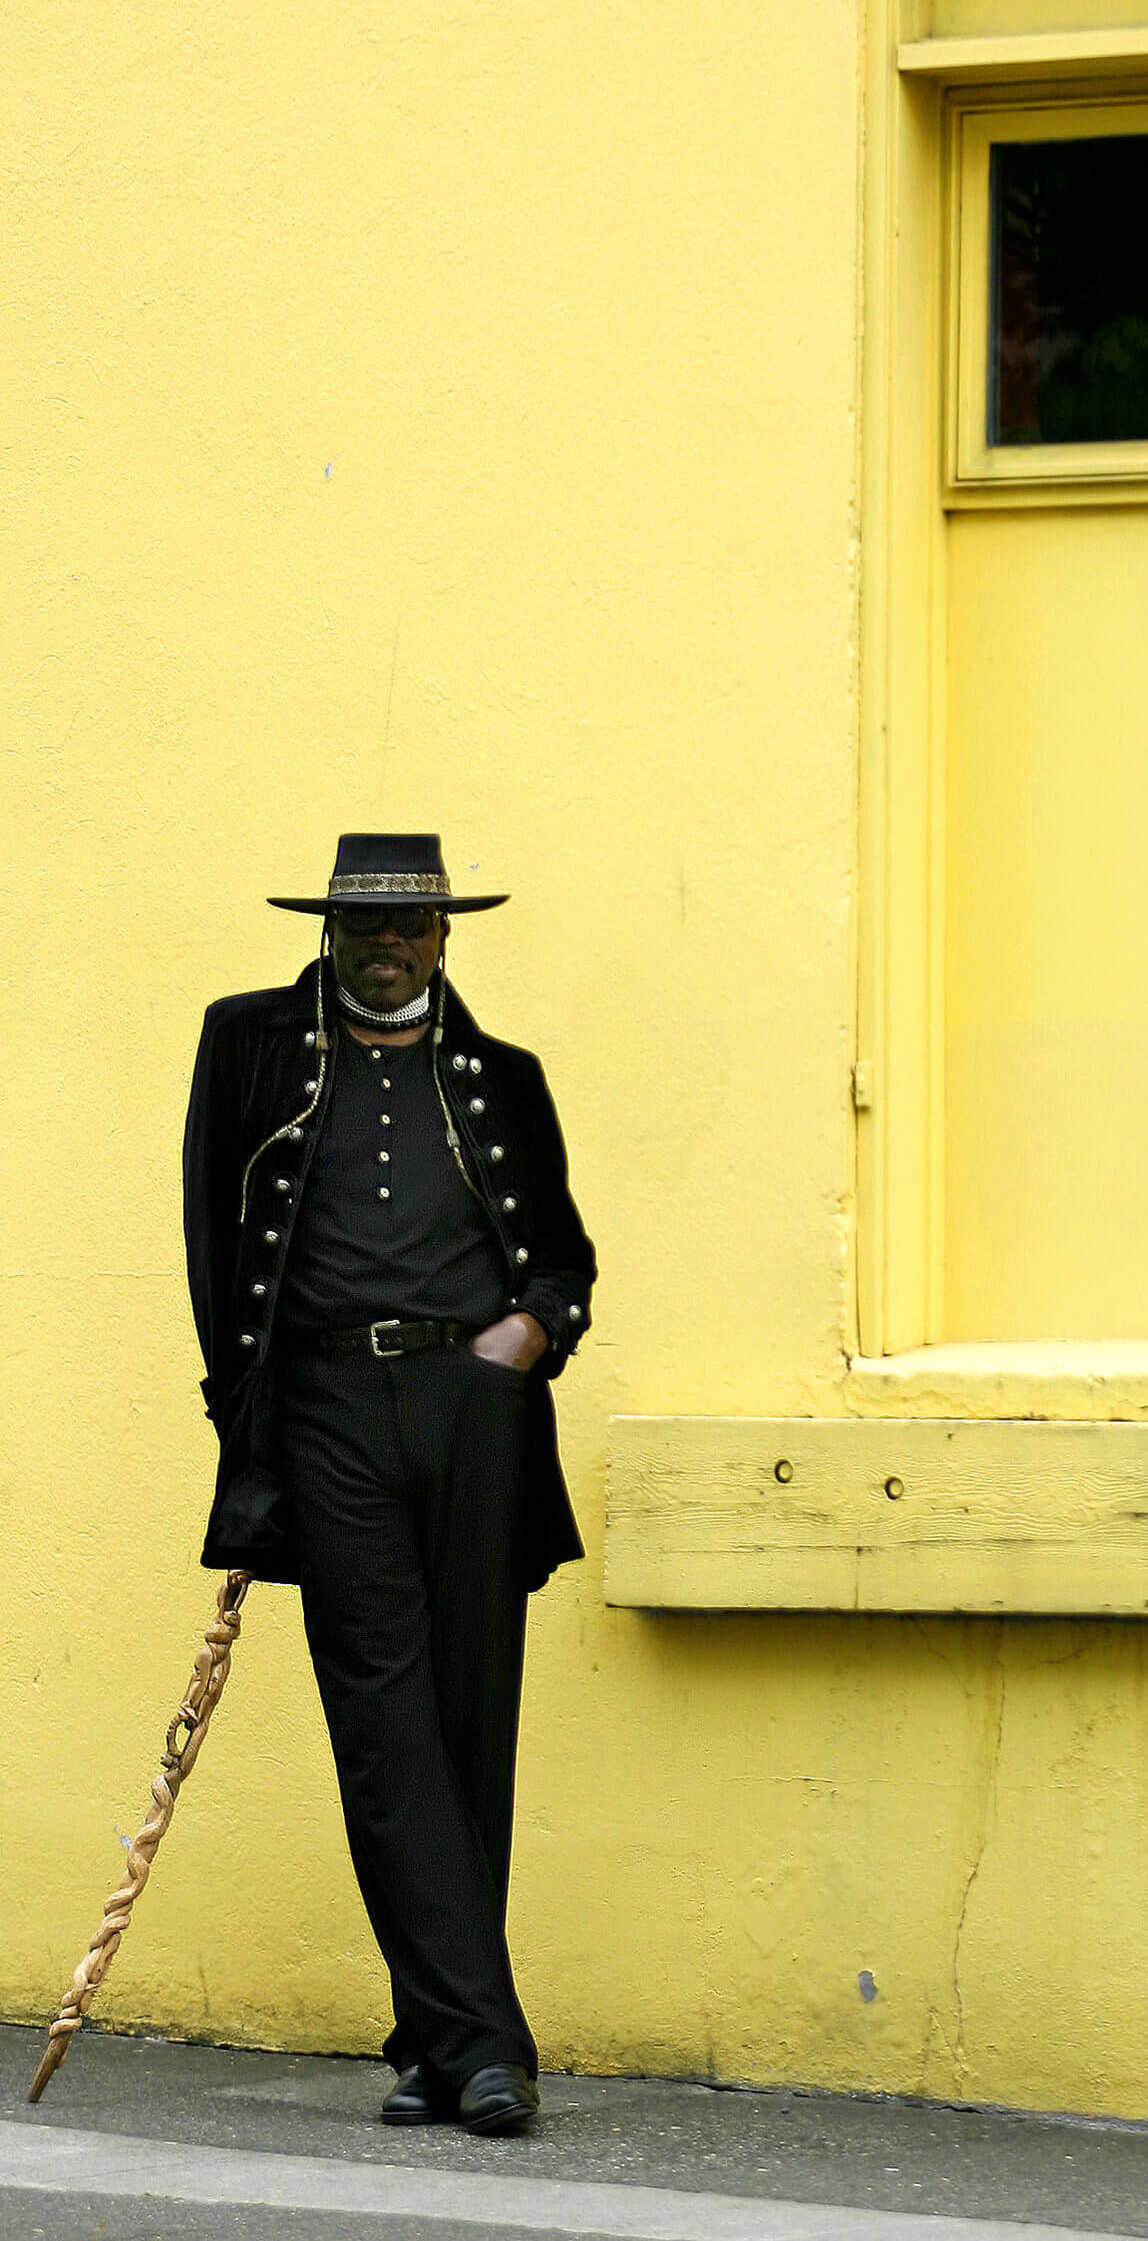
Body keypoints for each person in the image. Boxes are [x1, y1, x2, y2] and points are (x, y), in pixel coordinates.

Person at [182, 832, 596, 2135]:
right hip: (326, 1410)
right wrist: (244, 1427)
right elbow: (208, 1238)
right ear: (330, 933)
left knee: (470, 1721)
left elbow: (564, 1262)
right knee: (383, 1724)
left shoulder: (503, 1079)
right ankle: (486, 2050)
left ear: (444, 936)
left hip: (474, 1413)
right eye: (365, 927)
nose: (387, 947)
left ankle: (432, 2043)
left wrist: (524, 1339)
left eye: (410, 926)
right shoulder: (248, 1044)